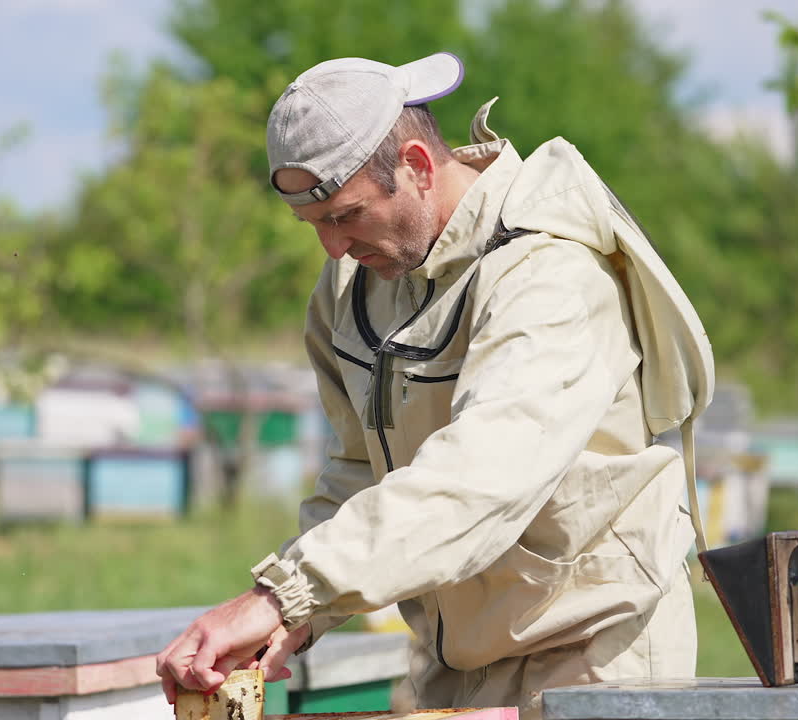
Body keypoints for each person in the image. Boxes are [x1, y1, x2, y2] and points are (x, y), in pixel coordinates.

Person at [155, 51, 714, 718]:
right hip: (456, 664)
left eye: (346, 215)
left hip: (595, 659)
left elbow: (481, 478)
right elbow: (357, 478)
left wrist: (287, 593)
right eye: (315, 225)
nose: (332, 248)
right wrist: (293, 620)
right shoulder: (351, 291)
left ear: (418, 167)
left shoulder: (547, 272)